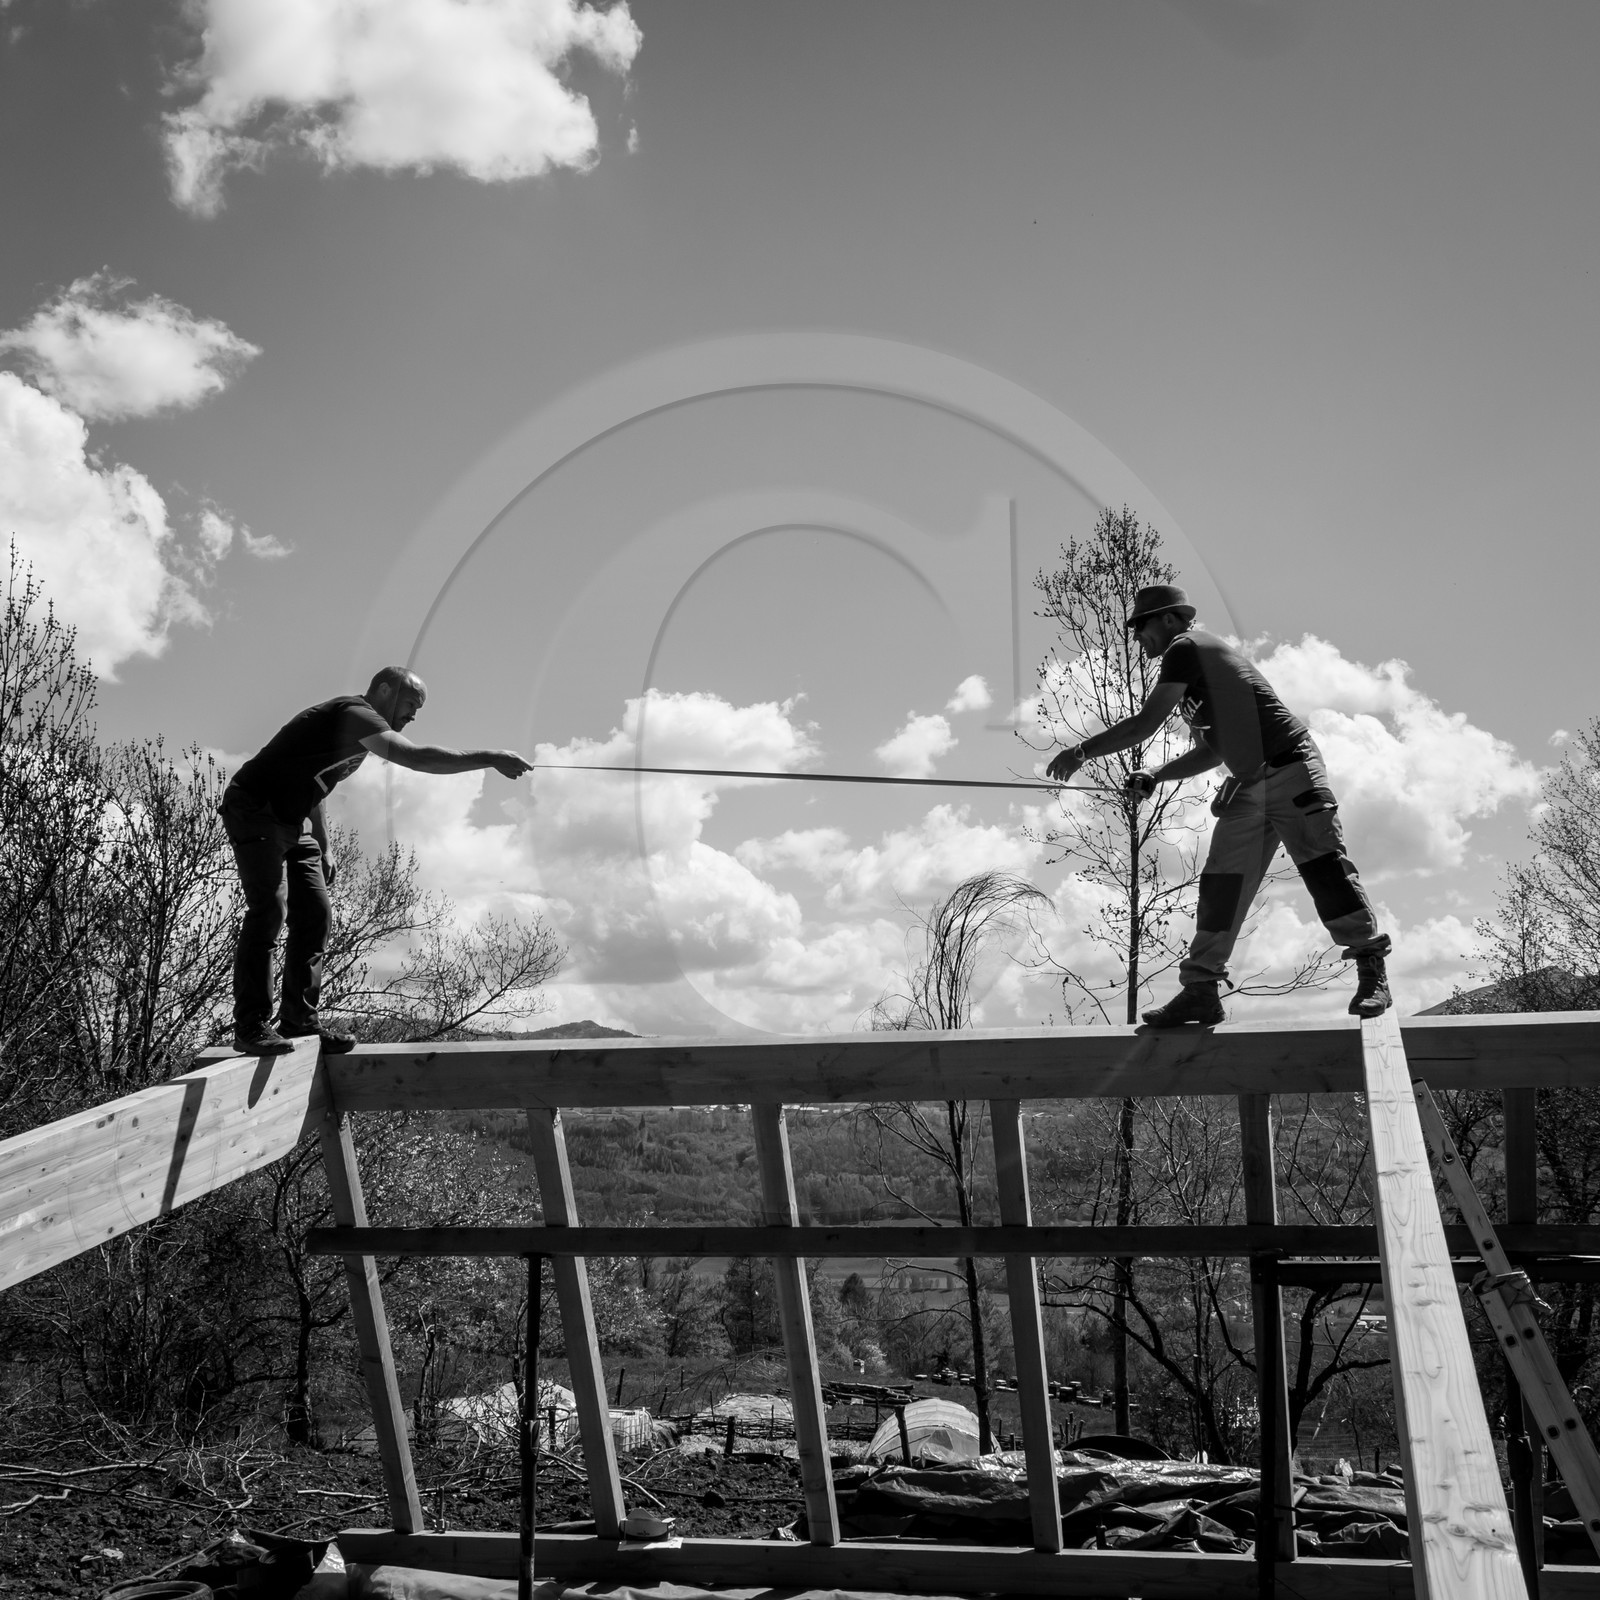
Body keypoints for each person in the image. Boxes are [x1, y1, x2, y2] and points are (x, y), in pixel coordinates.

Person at [1046, 584, 1391, 1026]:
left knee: (1322, 866)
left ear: (1169, 619)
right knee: (1221, 885)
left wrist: (1081, 752)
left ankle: (1371, 971)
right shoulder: (1194, 675)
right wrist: (1155, 776)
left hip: (1290, 768)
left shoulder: (1186, 647)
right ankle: (1201, 990)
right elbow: (1211, 751)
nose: (1137, 637)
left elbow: (1147, 722)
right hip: (1249, 783)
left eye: (1141, 626)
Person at [221, 666, 533, 1055]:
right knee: (269, 909)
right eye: (410, 704)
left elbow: (314, 783)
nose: (413, 716)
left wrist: (324, 844)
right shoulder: (355, 714)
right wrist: (492, 757)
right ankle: (250, 1026)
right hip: (255, 807)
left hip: (295, 818)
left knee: (316, 912)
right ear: (384, 690)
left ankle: (299, 1021)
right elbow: (417, 758)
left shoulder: (360, 735)